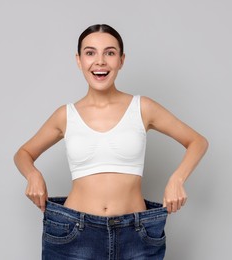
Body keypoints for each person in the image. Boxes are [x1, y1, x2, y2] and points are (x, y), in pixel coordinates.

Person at [14, 24, 208, 260]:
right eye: (90, 52)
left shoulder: (142, 107)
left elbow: (197, 141)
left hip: (136, 235)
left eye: (110, 52)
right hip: (74, 234)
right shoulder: (66, 115)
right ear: (78, 60)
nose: (100, 61)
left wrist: (177, 179)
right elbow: (23, 153)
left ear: (121, 60)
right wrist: (33, 174)